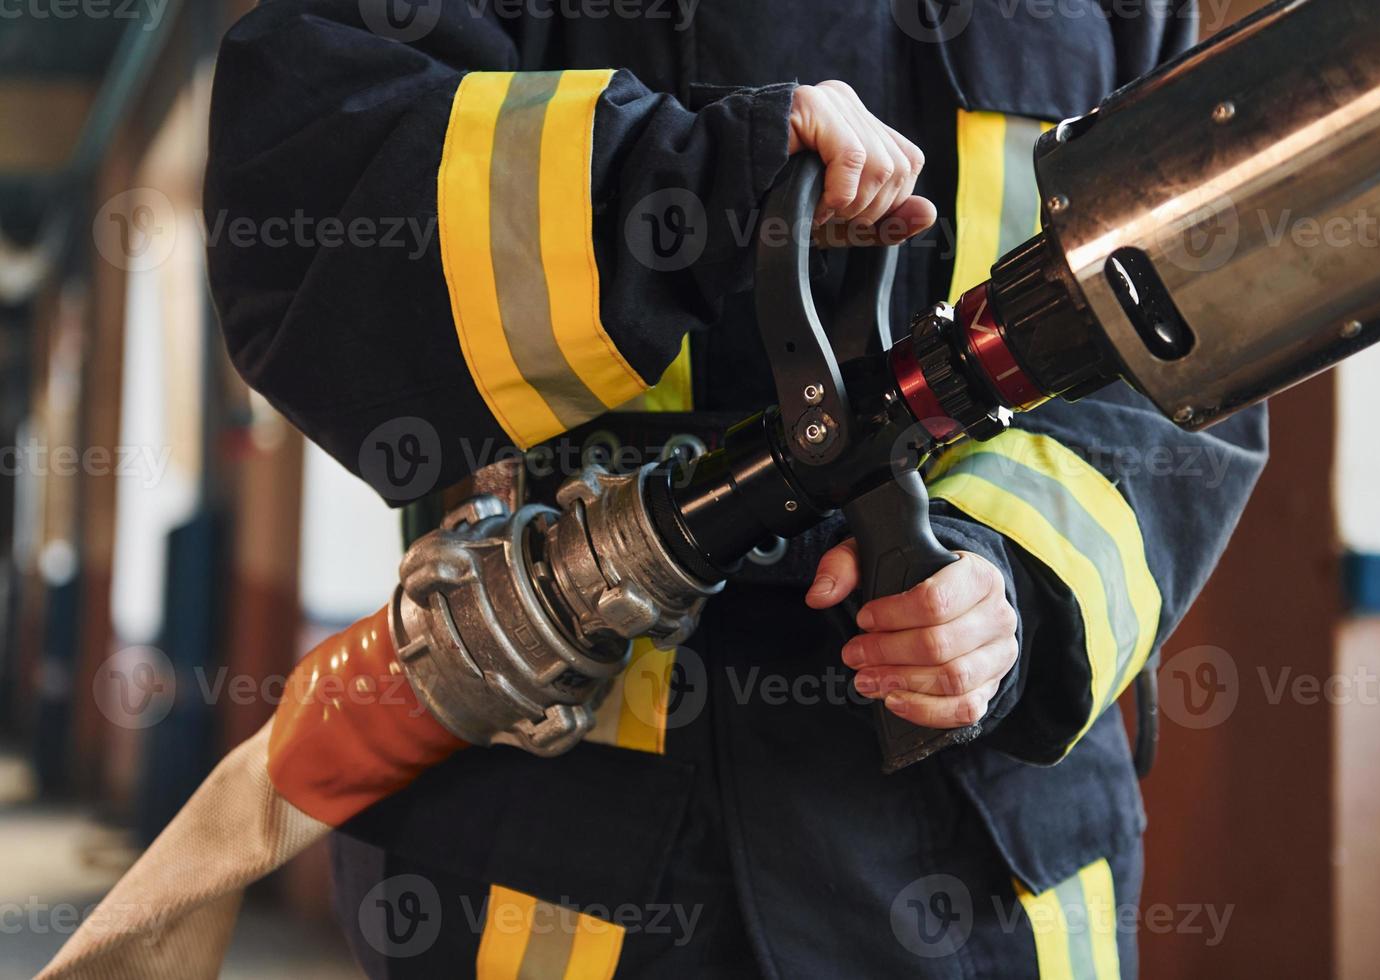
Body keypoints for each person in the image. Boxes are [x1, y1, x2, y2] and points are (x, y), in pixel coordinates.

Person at [204, 0, 1266, 975]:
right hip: (563, 834)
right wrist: (675, 189)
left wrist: (1015, 582)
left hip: (977, 857)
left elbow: (1189, 340)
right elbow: (308, 201)